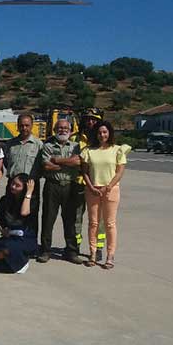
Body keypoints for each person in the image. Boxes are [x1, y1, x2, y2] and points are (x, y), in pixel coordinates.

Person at [80, 121, 128, 269]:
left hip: (110, 190)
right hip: (93, 190)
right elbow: (84, 172)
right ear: (95, 134)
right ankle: (93, 253)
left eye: (105, 132)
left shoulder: (117, 150)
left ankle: (110, 256)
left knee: (109, 224)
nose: (102, 135)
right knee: (93, 223)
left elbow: (119, 172)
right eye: (100, 132)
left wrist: (109, 186)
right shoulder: (88, 151)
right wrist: (90, 186)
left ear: (110, 133)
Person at [38, 119, 85, 264]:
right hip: (52, 186)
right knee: (48, 219)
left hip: (70, 186)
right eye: (59, 128)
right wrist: (67, 163)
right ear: (54, 130)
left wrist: (57, 160)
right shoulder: (47, 145)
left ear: (70, 130)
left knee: (70, 220)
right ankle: (46, 251)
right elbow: (46, 166)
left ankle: (71, 251)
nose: (63, 130)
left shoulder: (76, 146)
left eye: (66, 128)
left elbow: (77, 162)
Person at [72, 107, 106, 260]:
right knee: (76, 217)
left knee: (98, 220)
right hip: (78, 183)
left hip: (98, 185)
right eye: (88, 119)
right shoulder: (74, 139)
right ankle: (75, 246)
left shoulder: (104, 139)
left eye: (94, 119)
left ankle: (98, 248)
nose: (90, 121)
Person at [0, 175, 37, 274]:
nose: (13, 187)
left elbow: (24, 212)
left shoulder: (31, 201)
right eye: (12, 184)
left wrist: (29, 192)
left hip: (24, 237)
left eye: (18, 185)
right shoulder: (5, 200)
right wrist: (3, 230)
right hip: (9, 235)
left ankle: (21, 262)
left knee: (7, 250)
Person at [4, 113, 43, 234]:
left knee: (31, 214)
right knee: (10, 212)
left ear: (32, 126)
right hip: (13, 184)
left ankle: (30, 242)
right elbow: (6, 161)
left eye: (27, 125)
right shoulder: (10, 144)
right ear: (17, 126)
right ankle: (11, 237)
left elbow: (42, 165)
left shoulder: (38, 145)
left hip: (30, 184)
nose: (24, 128)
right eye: (21, 125)